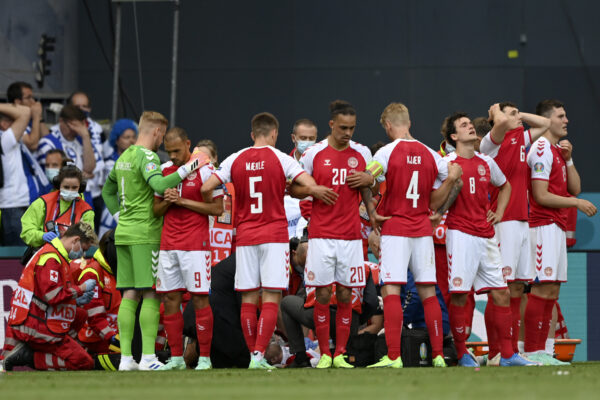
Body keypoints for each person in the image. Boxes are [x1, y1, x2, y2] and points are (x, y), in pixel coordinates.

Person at [201, 112, 336, 369]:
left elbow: (207, 187)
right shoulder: (282, 159)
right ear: (274, 133)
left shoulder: (234, 158)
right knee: (272, 297)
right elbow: (309, 184)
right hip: (273, 236)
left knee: (249, 298)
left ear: (253, 134)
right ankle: (258, 356)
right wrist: (310, 189)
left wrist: (213, 207)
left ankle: (254, 354)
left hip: (245, 236)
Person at [102, 111, 206, 371]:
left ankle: (126, 359)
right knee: (150, 293)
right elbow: (160, 184)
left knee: (128, 294)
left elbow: (107, 190)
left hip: (124, 234)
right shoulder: (147, 156)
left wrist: (119, 216)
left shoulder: (124, 156)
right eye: (162, 135)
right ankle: (148, 358)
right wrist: (191, 166)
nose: (162, 144)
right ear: (157, 131)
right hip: (145, 234)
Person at [364, 103, 462, 368]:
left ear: (387, 126)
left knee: (392, 289)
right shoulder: (432, 155)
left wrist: (367, 188)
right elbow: (455, 180)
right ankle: (439, 354)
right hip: (422, 229)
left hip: (395, 228)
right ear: (409, 122)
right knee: (428, 290)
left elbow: (369, 175)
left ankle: (394, 356)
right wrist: (439, 211)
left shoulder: (385, 152)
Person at [441, 112, 535, 367]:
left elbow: (505, 185)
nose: (470, 127)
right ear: (453, 136)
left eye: (471, 124)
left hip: (486, 235)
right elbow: (433, 202)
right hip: (460, 234)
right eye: (463, 125)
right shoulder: (446, 163)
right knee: (460, 295)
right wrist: (450, 181)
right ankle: (461, 354)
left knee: (502, 293)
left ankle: (506, 355)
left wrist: (500, 212)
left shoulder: (485, 162)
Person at [298, 100, 374, 369]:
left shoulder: (362, 152)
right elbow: (294, 188)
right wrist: (313, 190)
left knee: (344, 293)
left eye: (352, 128)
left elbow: (369, 187)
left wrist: (370, 181)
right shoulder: (313, 154)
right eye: (343, 127)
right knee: (320, 294)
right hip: (321, 236)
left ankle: (340, 353)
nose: (348, 133)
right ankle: (324, 353)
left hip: (352, 237)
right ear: (331, 125)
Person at [523, 100, 597, 365]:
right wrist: (576, 204)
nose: (566, 120)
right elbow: (541, 195)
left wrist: (569, 159)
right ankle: (532, 351)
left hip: (555, 226)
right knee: (541, 290)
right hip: (541, 226)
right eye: (561, 116)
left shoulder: (555, 150)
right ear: (546, 120)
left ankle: (544, 350)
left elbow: (574, 187)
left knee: (552, 292)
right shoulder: (541, 147)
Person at [478, 102, 550, 365]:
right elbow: (500, 124)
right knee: (501, 288)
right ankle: (497, 352)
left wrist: (517, 115)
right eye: (512, 113)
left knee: (518, 286)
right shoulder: (491, 142)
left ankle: (510, 352)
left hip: (522, 220)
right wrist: (497, 113)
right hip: (503, 220)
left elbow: (545, 124)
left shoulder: (520, 137)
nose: (517, 118)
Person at [152, 127, 223, 371]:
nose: (172, 156)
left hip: (196, 245)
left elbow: (217, 209)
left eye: (176, 150)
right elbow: (156, 210)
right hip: (168, 245)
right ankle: (176, 359)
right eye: (168, 151)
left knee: (200, 299)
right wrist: (169, 201)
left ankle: (204, 358)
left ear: (188, 144)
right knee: (170, 299)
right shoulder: (164, 172)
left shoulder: (205, 170)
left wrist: (182, 200)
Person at [1, 222, 98, 371]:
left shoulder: (54, 255)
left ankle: (43, 352)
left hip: (27, 319)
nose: (82, 255)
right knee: (84, 362)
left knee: (80, 315)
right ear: (75, 240)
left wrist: (75, 301)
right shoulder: (51, 258)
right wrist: (81, 289)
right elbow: (52, 295)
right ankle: (29, 357)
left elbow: (48, 294)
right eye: (83, 250)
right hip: (35, 324)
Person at [36, 104, 99, 206]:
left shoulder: (81, 140)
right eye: (71, 125)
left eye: (78, 126)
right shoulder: (48, 142)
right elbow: (51, 174)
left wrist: (86, 136)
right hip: (57, 197)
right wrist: (81, 176)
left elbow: (89, 168)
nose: (74, 130)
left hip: (82, 196)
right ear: (61, 121)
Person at [70, 230, 121, 355]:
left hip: (120, 338)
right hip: (97, 341)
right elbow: (95, 318)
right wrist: (112, 338)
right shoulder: (93, 272)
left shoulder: (127, 270)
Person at [20, 164, 94, 248]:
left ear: (80, 188)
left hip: (72, 257)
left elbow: (86, 239)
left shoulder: (86, 211)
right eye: (66, 187)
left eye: (74, 188)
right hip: (43, 253)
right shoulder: (42, 203)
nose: (70, 191)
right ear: (58, 185)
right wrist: (42, 236)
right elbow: (26, 232)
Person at [67, 91, 105, 224]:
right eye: (77, 107)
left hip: (96, 192)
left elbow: (102, 155)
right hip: (75, 192)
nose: (82, 110)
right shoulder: (62, 130)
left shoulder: (98, 129)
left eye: (84, 106)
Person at [99, 119, 138, 237]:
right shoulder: (109, 163)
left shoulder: (140, 160)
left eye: (133, 137)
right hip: (111, 213)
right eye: (126, 137)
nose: (131, 140)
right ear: (116, 140)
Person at [0, 102, 32, 245]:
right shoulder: (4, 139)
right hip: (12, 207)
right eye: (13, 122)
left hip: (12, 206)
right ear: (4, 124)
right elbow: (25, 111)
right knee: (18, 261)